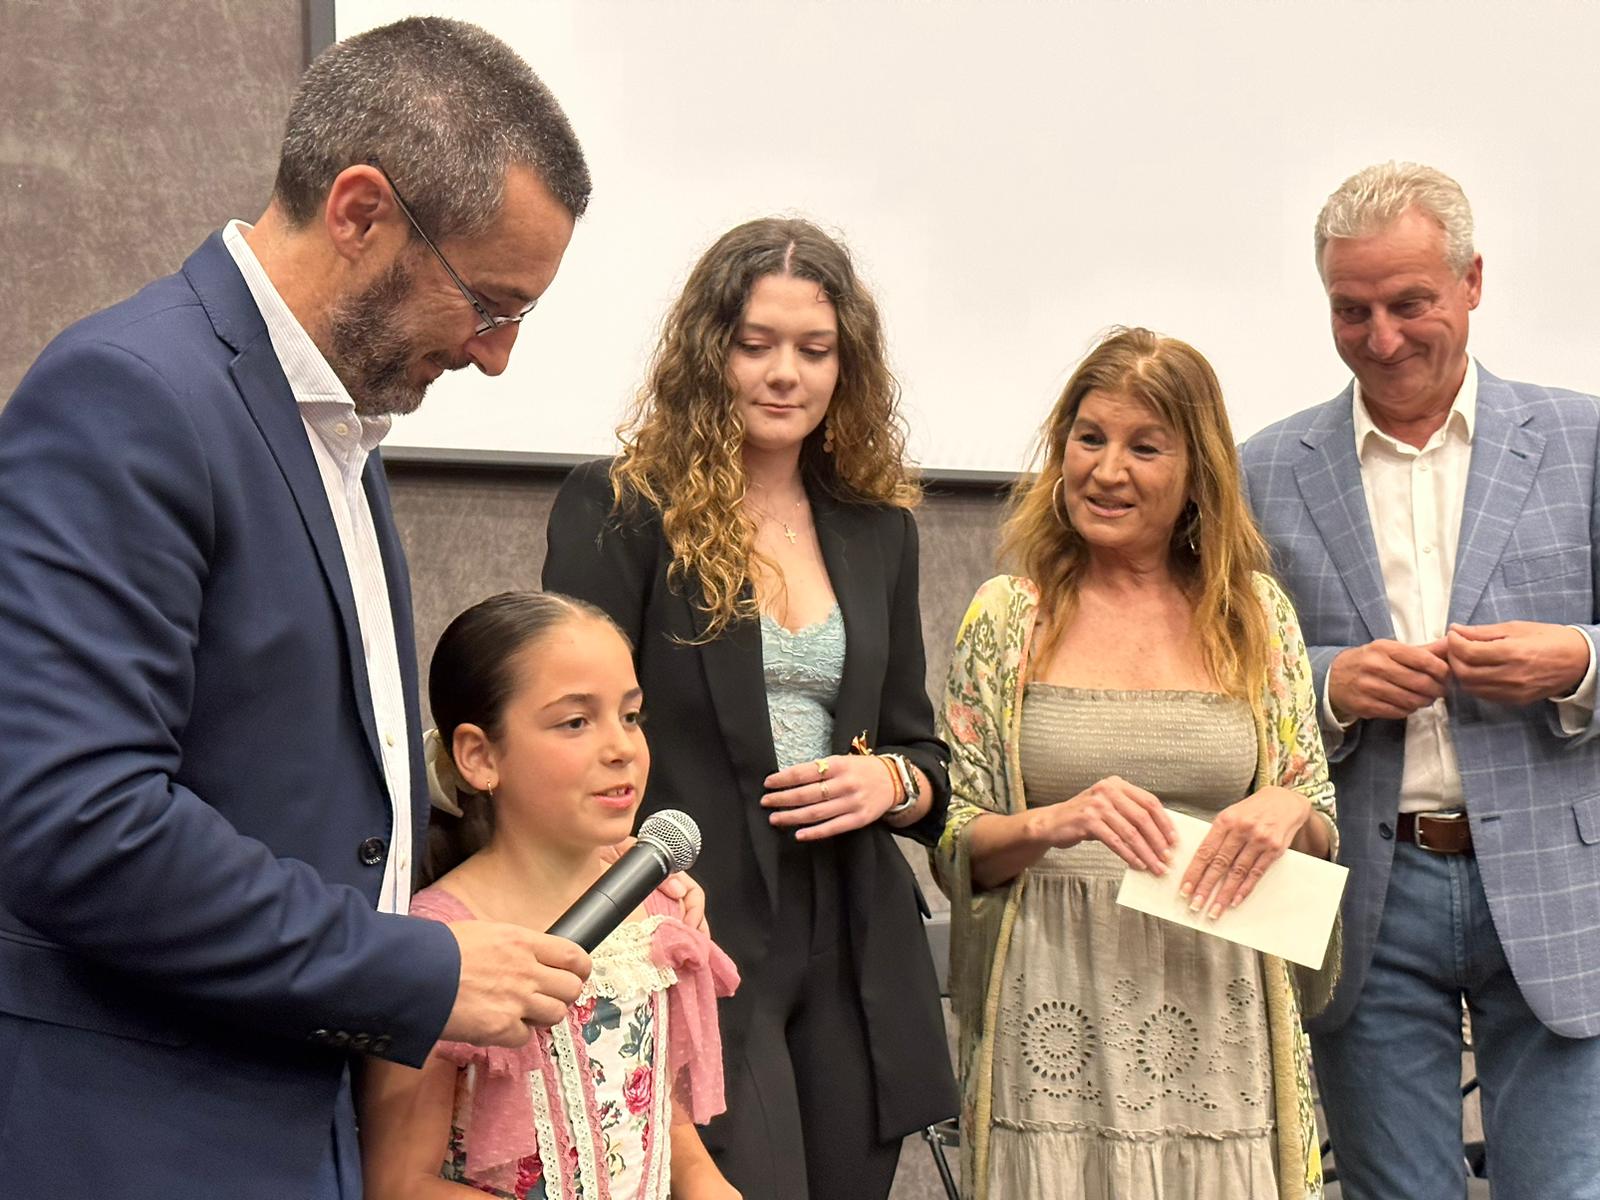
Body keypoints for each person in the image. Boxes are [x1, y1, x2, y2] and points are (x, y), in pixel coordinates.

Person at [0, 17, 693, 1199]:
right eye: (489, 303)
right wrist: (409, 967)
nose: (496, 358)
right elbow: (76, 816)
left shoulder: (341, 437)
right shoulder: (133, 394)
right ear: (361, 211)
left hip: (289, 1118)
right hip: (144, 1132)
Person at [542, 217, 958, 1199]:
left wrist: (890, 781)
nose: (785, 374)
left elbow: (922, 752)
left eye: (814, 351)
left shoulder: (877, 530)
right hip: (691, 920)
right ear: (707, 351)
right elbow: (564, 729)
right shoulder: (619, 507)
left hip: (853, 929)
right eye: (755, 345)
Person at [1239, 161, 1600, 1200]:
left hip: (1554, 883)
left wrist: (1575, 660)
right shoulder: (1262, 468)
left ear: (1472, 281)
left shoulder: (1581, 443)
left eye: (1409, 304)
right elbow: (1223, 674)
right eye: (1351, 311)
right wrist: (1325, 683)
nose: (1381, 337)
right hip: (1357, 886)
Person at [934, 327, 1338, 1199]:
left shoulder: (1254, 616)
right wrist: (1053, 821)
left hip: (1224, 1015)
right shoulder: (1008, 616)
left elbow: (1313, 807)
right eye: (1090, 438)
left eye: (1144, 447)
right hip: (1051, 1008)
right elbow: (957, 839)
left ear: (1198, 472)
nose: (1106, 470)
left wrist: (1292, 812)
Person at [359, 591, 739, 1200]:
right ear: (481, 757)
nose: (620, 748)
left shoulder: (659, 908)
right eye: (576, 722)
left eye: (631, 716)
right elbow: (398, 1182)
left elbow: (656, 1108)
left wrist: (705, 1183)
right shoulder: (439, 945)